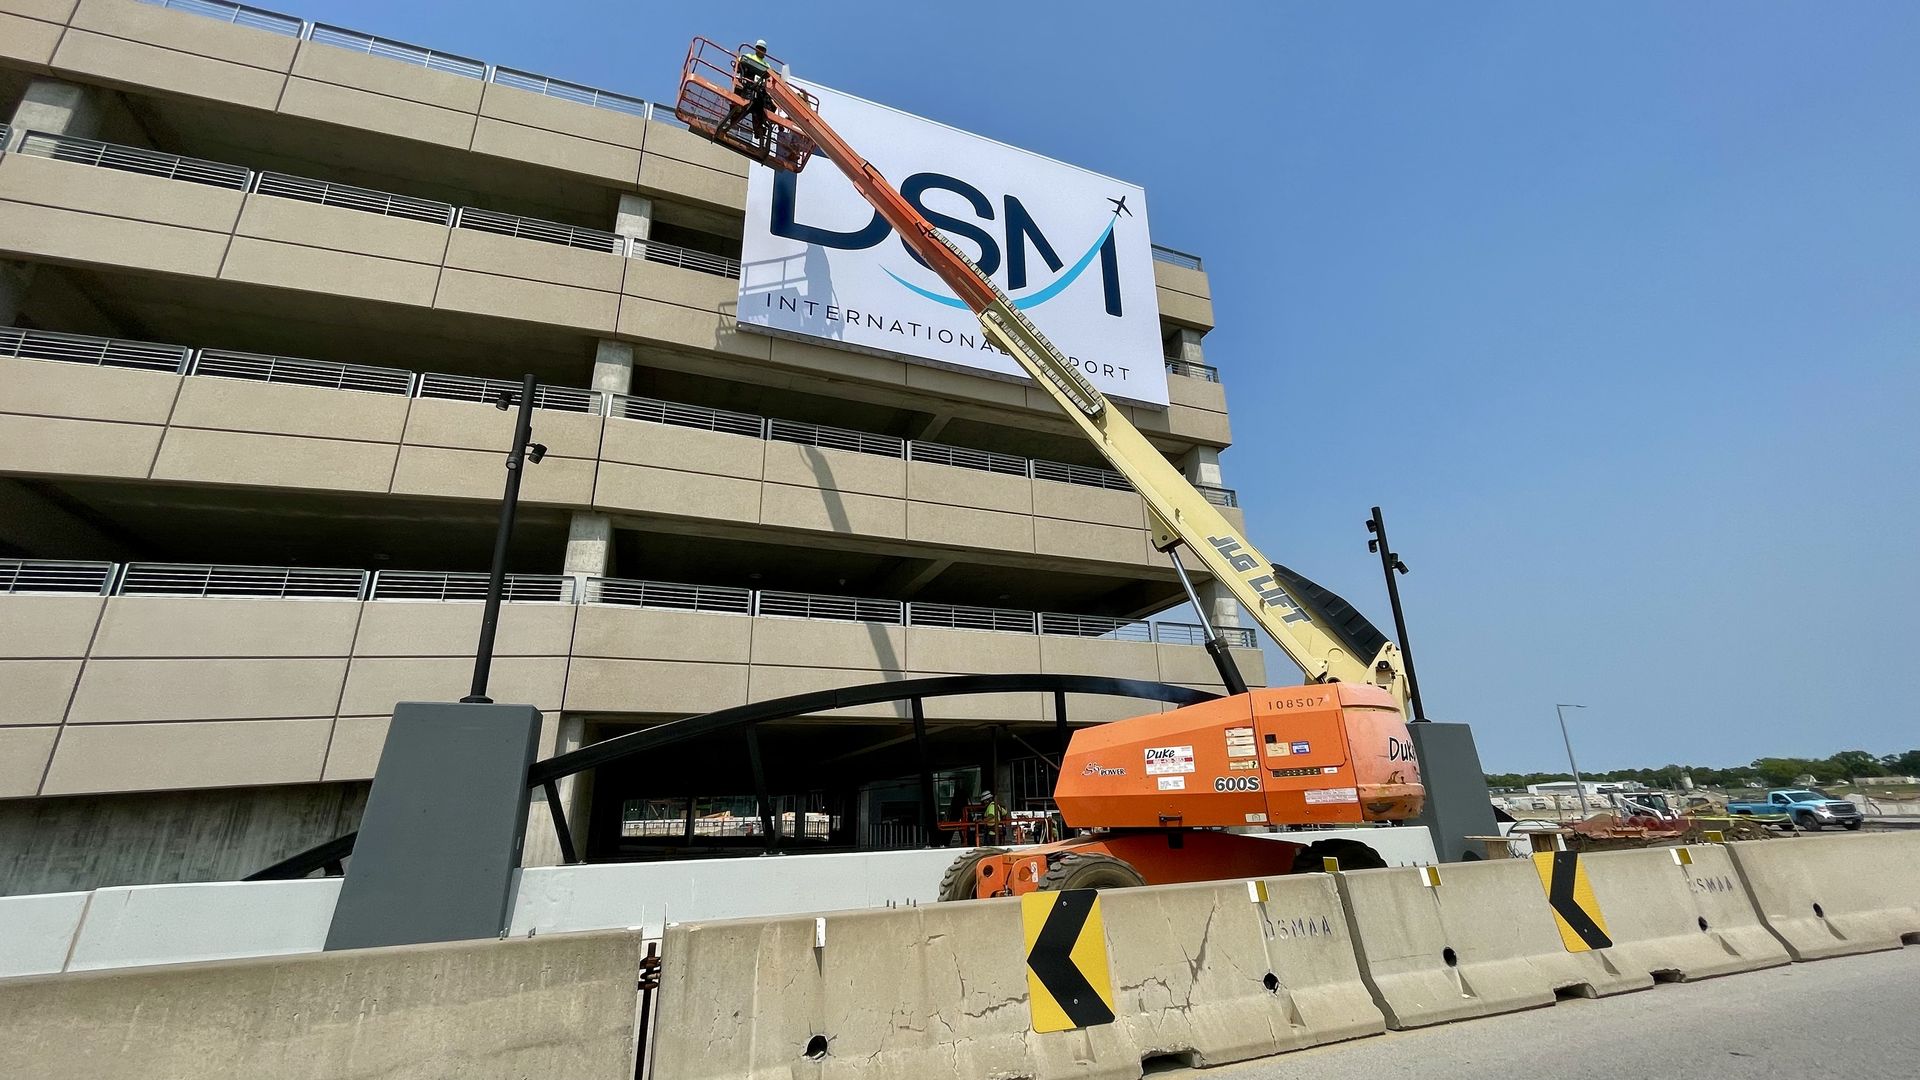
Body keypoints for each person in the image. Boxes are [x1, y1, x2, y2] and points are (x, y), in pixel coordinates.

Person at [718, 39, 775, 152]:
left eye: (763, 49)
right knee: (742, 100)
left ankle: (759, 129)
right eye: (759, 48)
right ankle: (734, 117)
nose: (761, 51)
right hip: (747, 84)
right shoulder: (748, 56)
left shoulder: (767, 65)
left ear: (765, 51)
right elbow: (739, 63)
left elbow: (770, 78)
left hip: (759, 90)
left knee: (762, 107)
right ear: (756, 48)